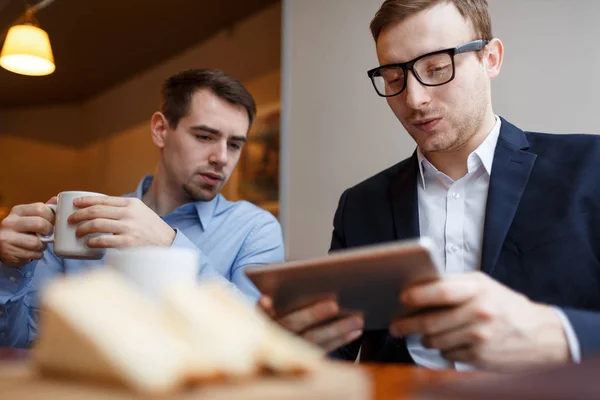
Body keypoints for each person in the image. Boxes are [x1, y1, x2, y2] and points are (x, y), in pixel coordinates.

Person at [260, 0, 600, 372]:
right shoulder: (360, 205)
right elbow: (335, 347)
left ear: (491, 58)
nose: (414, 99)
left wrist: (561, 334)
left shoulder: (590, 166)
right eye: (394, 79)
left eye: (437, 69)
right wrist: (289, 343)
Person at [0, 69, 284, 348]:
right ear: (161, 130)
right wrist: (10, 270)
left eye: (234, 144)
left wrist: (169, 244)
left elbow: (257, 339)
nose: (222, 158)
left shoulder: (256, 229)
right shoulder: (84, 221)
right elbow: (25, 345)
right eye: (205, 137)